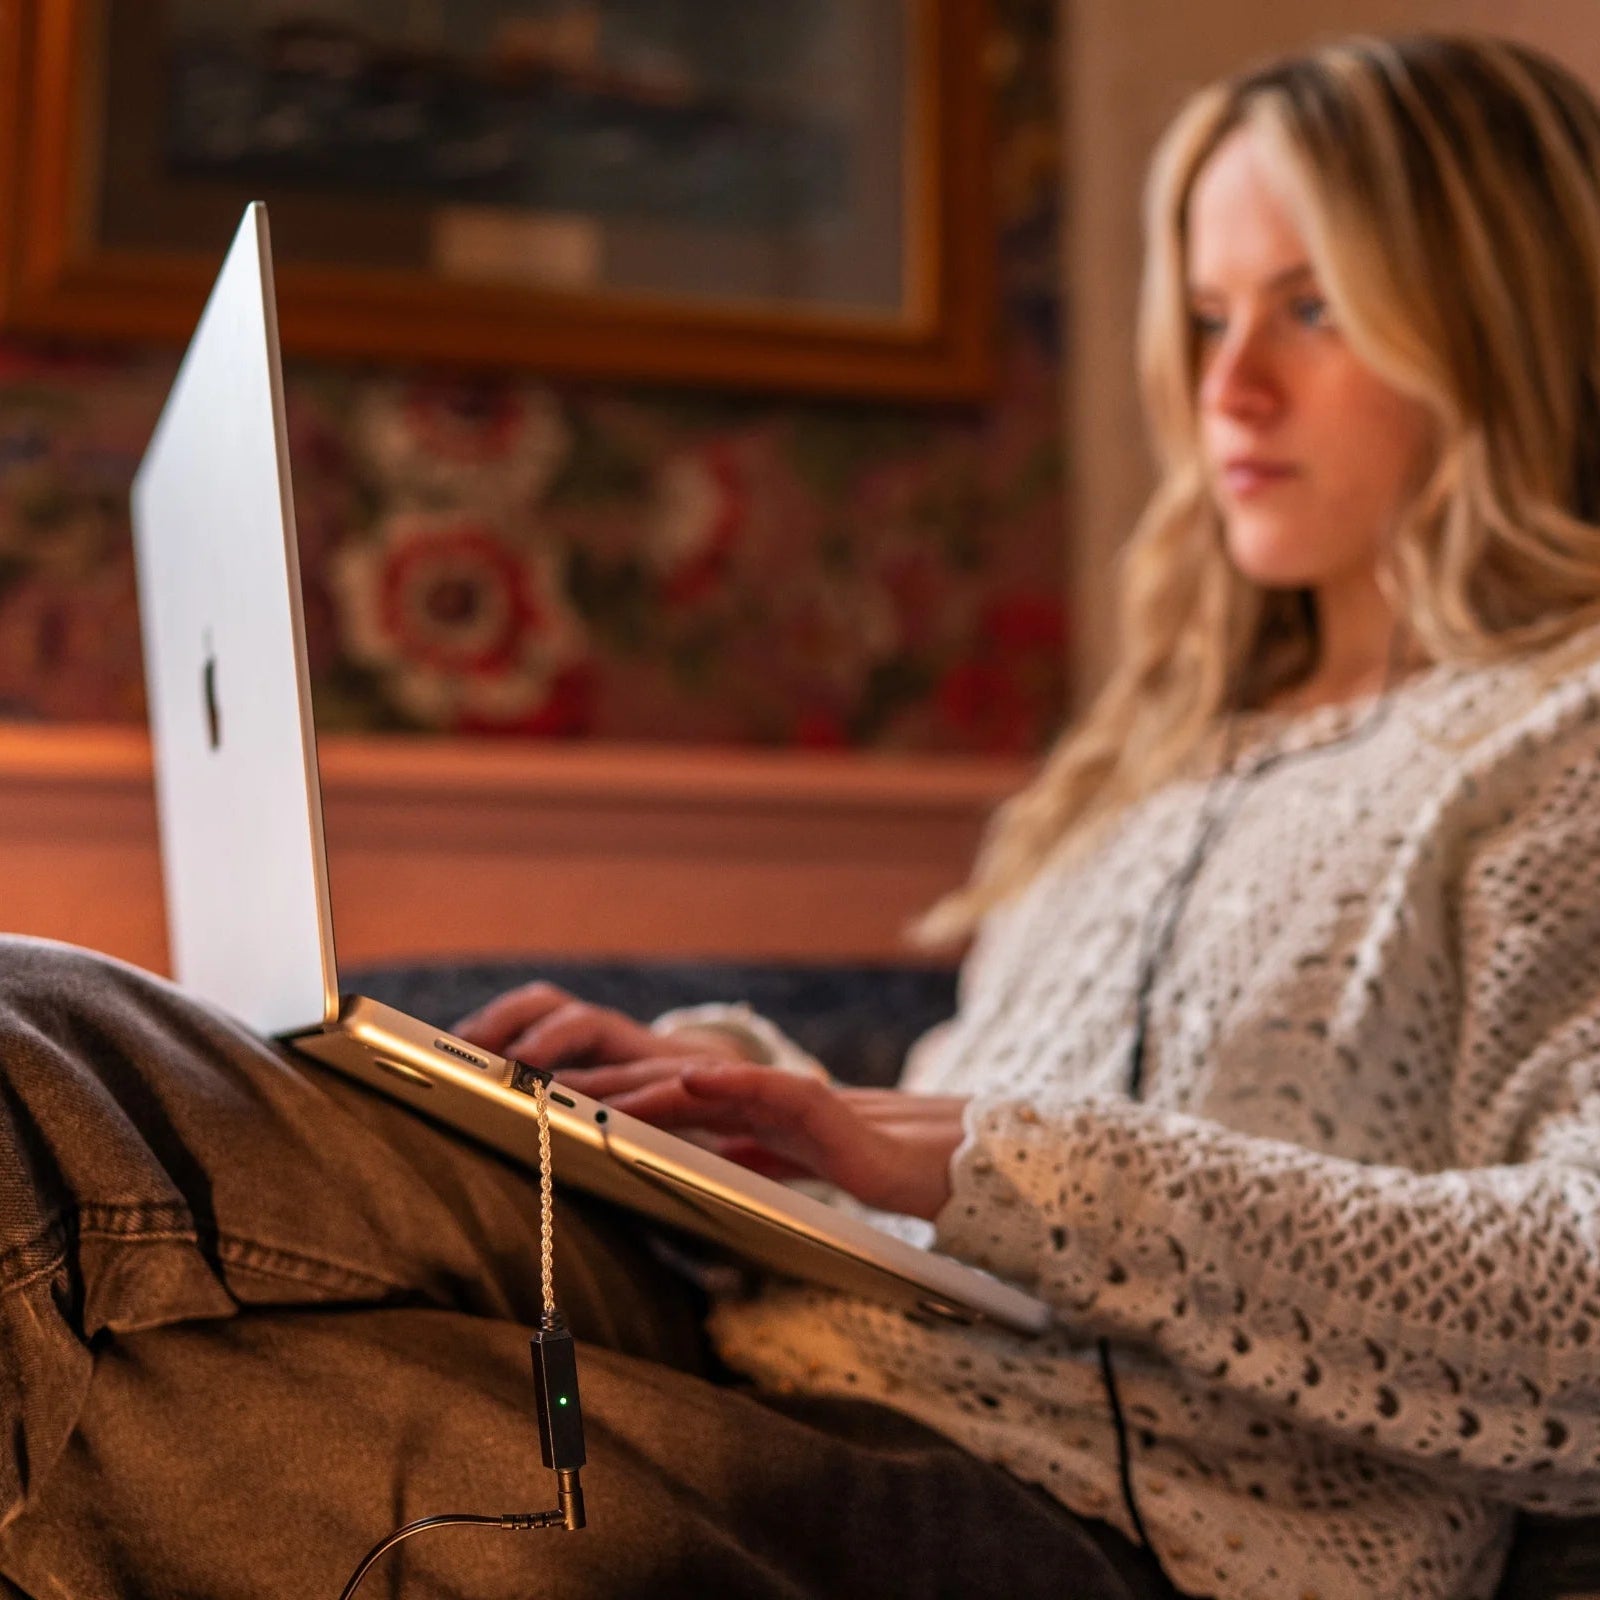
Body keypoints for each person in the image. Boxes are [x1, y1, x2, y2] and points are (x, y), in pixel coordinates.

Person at [6, 30, 1600, 1600]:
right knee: (35, 1037)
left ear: (1501, 322)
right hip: (761, 1334)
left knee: (134, 1427)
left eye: (1311, 308)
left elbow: (1580, 1300)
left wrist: (994, 1159)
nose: (1228, 386)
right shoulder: (1143, 769)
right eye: (1203, 314)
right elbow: (960, 1169)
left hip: (1090, 1529)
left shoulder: (1560, 742)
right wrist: (736, 1108)